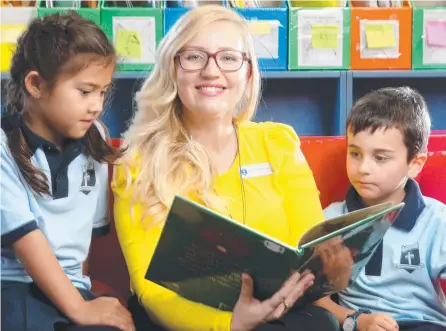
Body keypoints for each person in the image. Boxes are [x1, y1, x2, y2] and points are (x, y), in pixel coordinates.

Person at [112, 5, 340, 331]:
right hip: (182, 320)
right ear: (172, 68)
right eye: (194, 57)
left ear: (247, 72)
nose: (211, 70)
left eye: (229, 58)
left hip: (277, 309)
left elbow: (309, 247)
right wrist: (230, 324)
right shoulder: (138, 162)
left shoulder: (277, 143)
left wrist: (330, 265)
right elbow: (151, 289)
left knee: (321, 323)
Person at [1, 12, 135, 331]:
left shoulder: (96, 138)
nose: (96, 105)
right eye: (85, 91)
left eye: (102, 92)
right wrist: (79, 309)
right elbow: (26, 239)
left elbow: (86, 235)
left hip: (72, 287)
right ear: (36, 84)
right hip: (12, 286)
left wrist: (82, 297)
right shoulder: (4, 147)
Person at [315, 87, 446, 331]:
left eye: (380, 158)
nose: (363, 168)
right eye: (355, 153)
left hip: (423, 324)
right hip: (355, 323)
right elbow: (315, 299)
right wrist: (356, 320)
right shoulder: (331, 220)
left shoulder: (437, 221)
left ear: (415, 164)